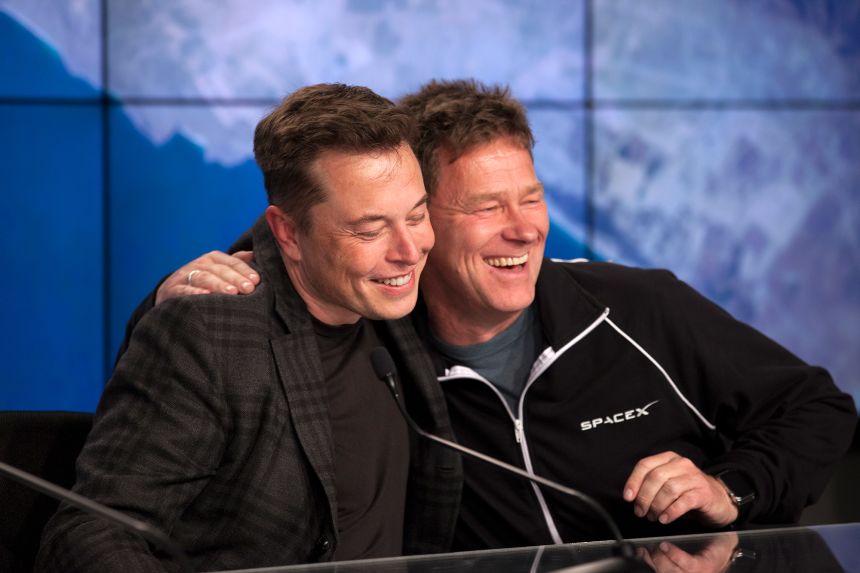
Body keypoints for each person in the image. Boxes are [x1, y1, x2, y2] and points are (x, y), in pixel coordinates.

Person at [118, 80, 857, 551]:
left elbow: (817, 407)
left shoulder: (634, 304)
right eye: (485, 206)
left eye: (531, 198)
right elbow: (328, 233)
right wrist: (172, 289)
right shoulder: (383, 336)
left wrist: (729, 487)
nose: (524, 228)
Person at [36, 84, 462, 572]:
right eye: (369, 230)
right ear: (287, 233)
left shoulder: (402, 298)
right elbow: (89, 534)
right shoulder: (209, 337)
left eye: (417, 214)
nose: (409, 251)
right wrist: (157, 308)